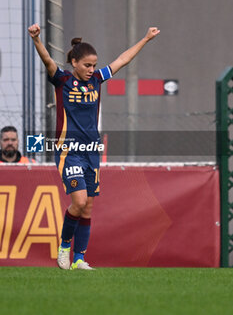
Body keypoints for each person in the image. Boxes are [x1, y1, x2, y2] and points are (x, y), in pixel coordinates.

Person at [28, 23, 160, 270]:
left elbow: (122, 60)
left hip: (91, 152)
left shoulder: (98, 80)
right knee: (78, 202)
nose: (91, 70)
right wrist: (36, 39)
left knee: (87, 208)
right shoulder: (63, 80)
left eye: (94, 65)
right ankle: (65, 247)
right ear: (75, 63)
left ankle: (79, 260)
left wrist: (145, 39)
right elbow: (47, 61)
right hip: (69, 152)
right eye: (87, 65)